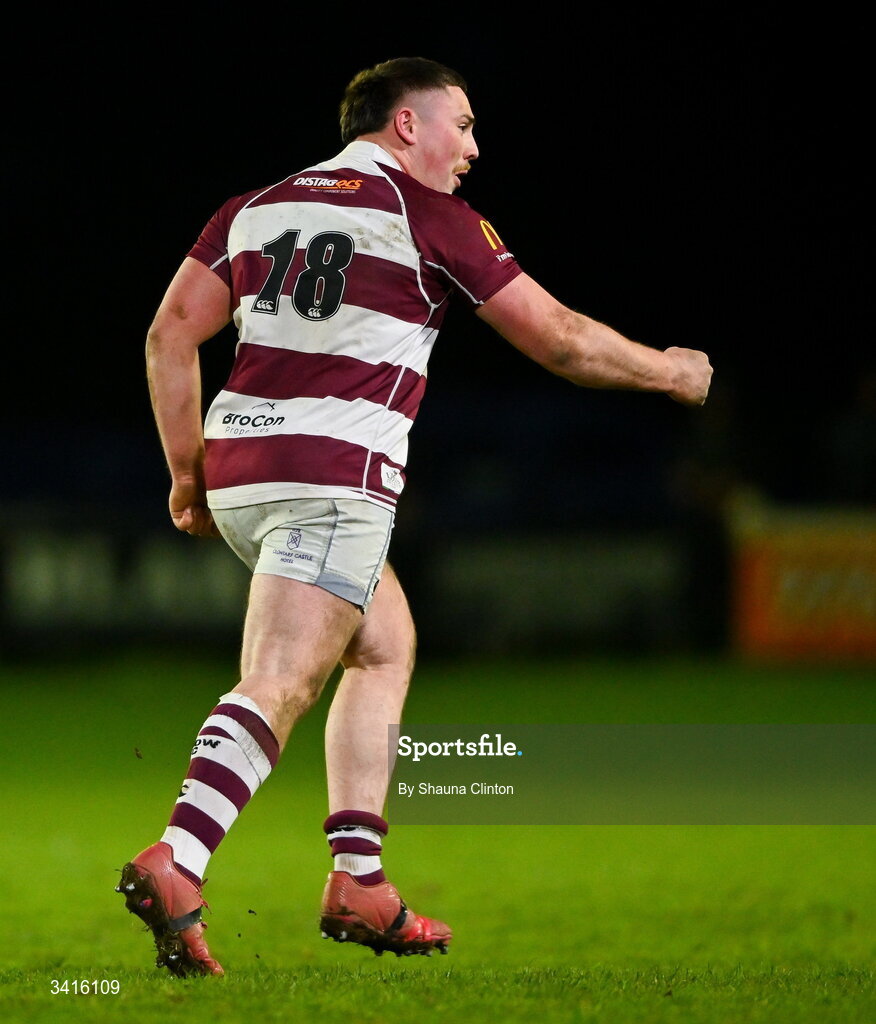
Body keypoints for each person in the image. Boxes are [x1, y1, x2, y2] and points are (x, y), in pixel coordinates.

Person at [117, 56, 713, 977]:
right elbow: (556, 337)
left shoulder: (256, 206)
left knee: (385, 642)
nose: (472, 147)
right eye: (462, 125)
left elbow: (169, 334)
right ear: (406, 125)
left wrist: (187, 476)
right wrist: (670, 371)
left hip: (243, 473)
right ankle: (180, 862)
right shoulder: (425, 214)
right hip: (333, 477)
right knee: (279, 682)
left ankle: (359, 881)